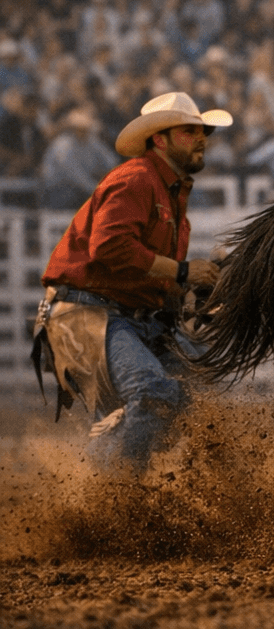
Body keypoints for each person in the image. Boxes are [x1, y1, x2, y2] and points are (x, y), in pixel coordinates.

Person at [32, 91, 231, 471]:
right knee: (154, 392)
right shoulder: (136, 179)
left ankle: (113, 457)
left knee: (199, 399)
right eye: (189, 131)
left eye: (203, 131)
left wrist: (188, 292)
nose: (202, 139)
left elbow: (146, 272)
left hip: (125, 317)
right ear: (160, 138)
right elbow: (108, 247)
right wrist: (183, 272)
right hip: (85, 313)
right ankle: (116, 496)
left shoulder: (171, 196)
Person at [39, 107, 119, 211]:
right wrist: (100, 190)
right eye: (80, 128)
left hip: (79, 189)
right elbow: (77, 177)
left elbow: (112, 161)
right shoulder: (63, 145)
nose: (84, 131)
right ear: (73, 128)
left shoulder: (92, 141)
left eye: (85, 128)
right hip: (57, 191)